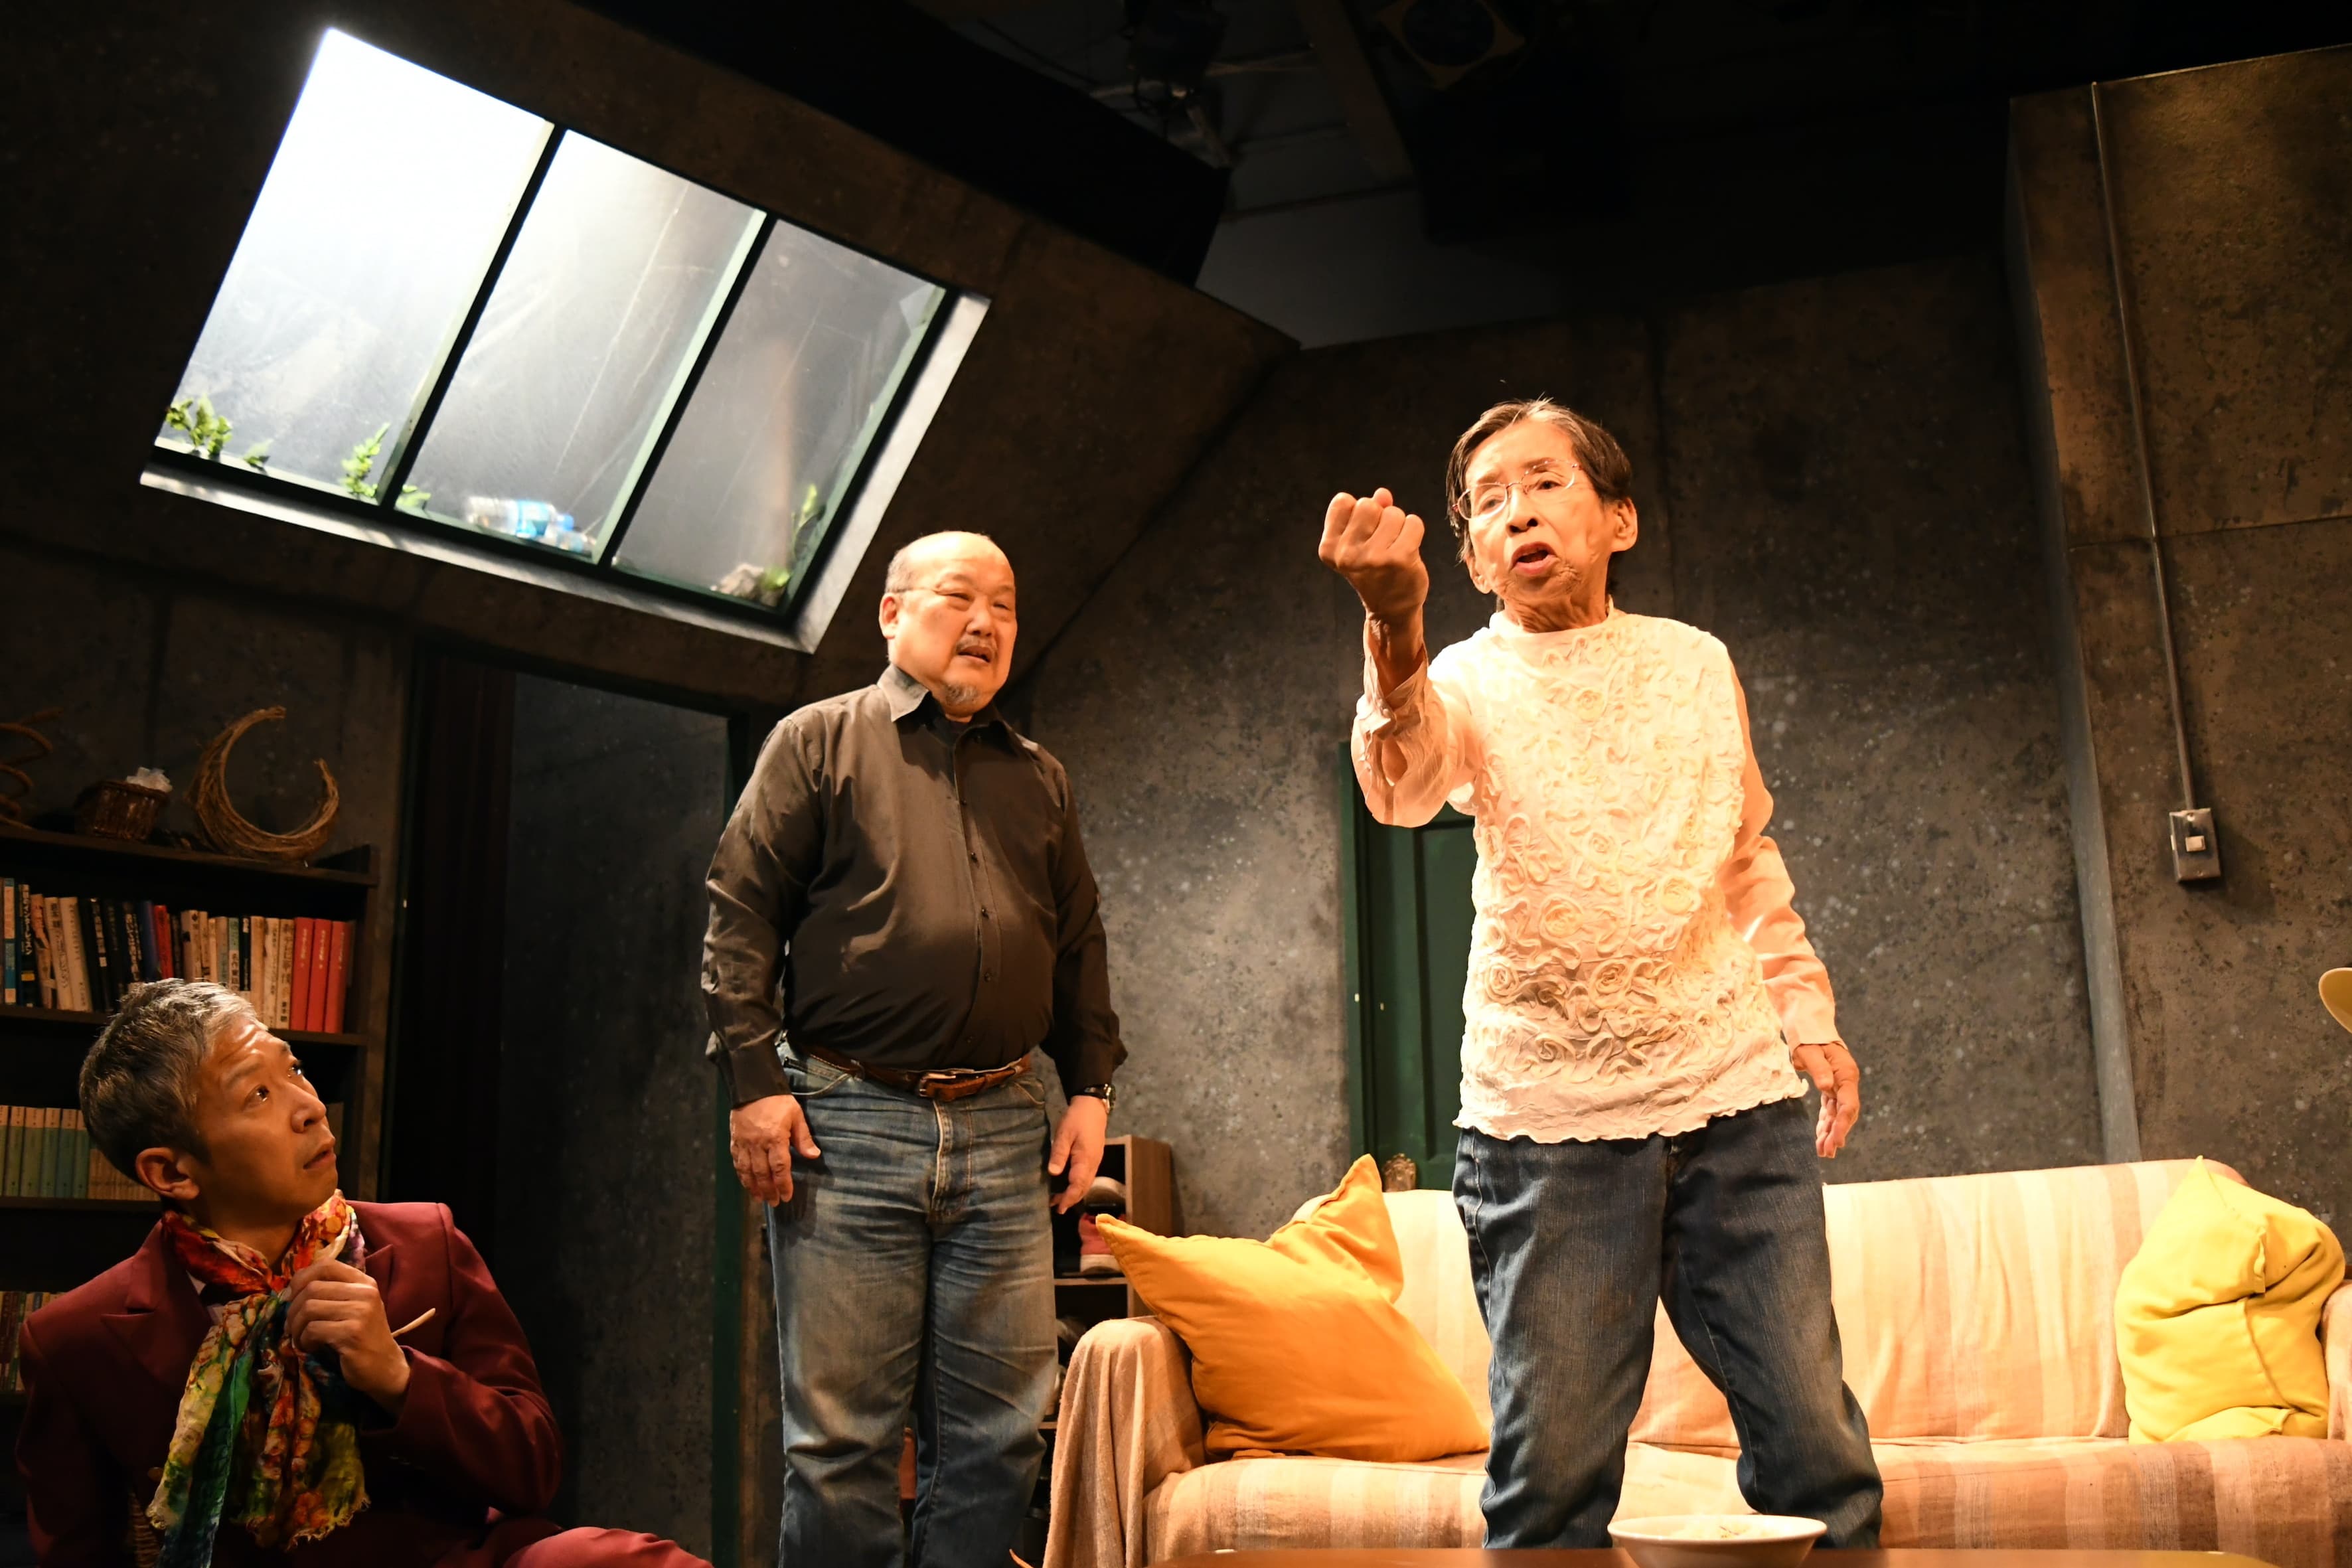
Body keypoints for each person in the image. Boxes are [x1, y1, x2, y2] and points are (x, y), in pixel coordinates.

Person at [1317, 398, 1883, 1545]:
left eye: (1544, 482)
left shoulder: (1693, 662)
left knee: (1817, 1453)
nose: (1516, 512)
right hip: (1549, 1123)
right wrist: (1392, 621)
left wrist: (1804, 1012)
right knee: (1553, 1483)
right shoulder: (1464, 676)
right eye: (1487, 502)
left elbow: (1741, 854)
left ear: (1617, 519)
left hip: (1734, 1097)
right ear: (1471, 558)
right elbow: (1400, 785)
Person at [702, 530, 1125, 1568]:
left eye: (1005, 605)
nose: (986, 621)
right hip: (846, 1122)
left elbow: (1077, 938)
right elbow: (739, 913)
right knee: (839, 1445)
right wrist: (753, 1083)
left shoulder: (1040, 776)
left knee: (999, 1437)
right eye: (958, 596)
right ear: (891, 613)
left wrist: (1091, 1088)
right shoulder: (818, 740)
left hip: (1005, 1124)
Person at [16, 979, 708, 1568]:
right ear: (171, 1172)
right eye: (258, 1095)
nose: (309, 1106)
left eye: (294, 1070)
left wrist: (399, 1377)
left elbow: (533, 1470)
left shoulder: (425, 1240)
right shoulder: (78, 1340)